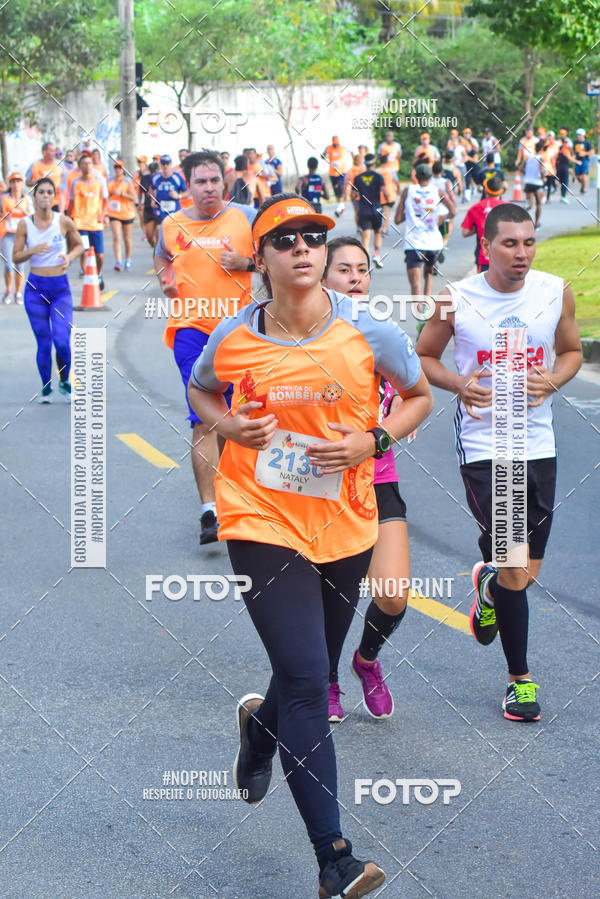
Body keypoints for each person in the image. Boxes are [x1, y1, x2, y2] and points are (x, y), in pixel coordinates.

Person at [187, 192, 432, 897]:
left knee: (307, 671)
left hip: (346, 522)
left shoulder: (367, 331)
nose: (302, 247)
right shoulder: (234, 332)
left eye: (313, 237)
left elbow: (417, 396)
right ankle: (336, 859)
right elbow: (204, 391)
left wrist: (374, 438)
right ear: (259, 257)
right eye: (285, 238)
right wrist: (228, 428)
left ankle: (260, 726)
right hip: (259, 518)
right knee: (303, 679)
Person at [417, 203, 582, 722]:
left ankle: (488, 583)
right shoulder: (457, 299)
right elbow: (424, 356)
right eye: (510, 243)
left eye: (529, 242)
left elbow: (572, 351)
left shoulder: (554, 291)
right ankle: (520, 681)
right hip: (489, 448)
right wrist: (462, 383)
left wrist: (553, 379)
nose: (522, 253)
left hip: (538, 445)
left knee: (522, 574)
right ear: (486, 245)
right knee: (515, 570)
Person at [321, 236, 416, 722]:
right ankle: (328, 678)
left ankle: (366, 660)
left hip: (376, 476)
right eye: (343, 269)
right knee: (331, 595)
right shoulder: (304, 336)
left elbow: (414, 393)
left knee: (393, 592)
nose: (356, 277)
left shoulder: (380, 333)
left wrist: (394, 415)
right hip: (318, 481)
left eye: (362, 269)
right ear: (321, 277)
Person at [154, 150, 256, 545]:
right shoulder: (172, 223)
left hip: (240, 332)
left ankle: (230, 493)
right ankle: (209, 510)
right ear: (188, 185)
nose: (209, 187)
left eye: (215, 180)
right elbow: (163, 257)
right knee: (205, 418)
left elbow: (273, 261)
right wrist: (166, 279)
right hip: (191, 330)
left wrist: (245, 263)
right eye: (201, 181)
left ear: (224, 181)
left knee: (234, 417)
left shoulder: (245, 218)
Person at [13, 178, 84, 402]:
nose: (45, 196)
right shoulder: (25, 224)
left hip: (60, 290)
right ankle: (46, 387)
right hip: (35, 290)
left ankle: (65, 381)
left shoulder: (63, 221)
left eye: (49, 192)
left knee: (62, 340)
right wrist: (32, 250)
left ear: (54, 197)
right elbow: (15, 257)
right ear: (34, 197)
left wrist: (69, 257)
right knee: (44, 342)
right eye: (41, 192)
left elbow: (80, 245)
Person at [395, 162, 456, 296]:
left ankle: (419, 314)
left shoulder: (408, 191)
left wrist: (413, 214)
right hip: (433, 242)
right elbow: (453, 211)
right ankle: (426, 309)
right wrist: (441, 218)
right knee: (428, 276)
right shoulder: (438, 192)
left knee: (416, 285)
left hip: (413, 242)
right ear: (430, 177)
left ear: (415, 176)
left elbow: (397, 219)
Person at [67, 151, 108, 289]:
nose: (87, 165)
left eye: (89, 163)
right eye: (84, 163)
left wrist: (104, 214)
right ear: (79, 166)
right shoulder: (75, 183)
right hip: (81, 224)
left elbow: (106, 200)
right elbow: (71, 203)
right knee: (84, 252)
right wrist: (71, 218)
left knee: (99, 255)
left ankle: (98, 274)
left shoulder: (100, 181)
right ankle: (87, 277)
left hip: (95, 224)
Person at [461, 173, 506, 273]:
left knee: (483, 286)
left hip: (484, 256)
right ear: (501, 191)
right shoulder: (509, 207)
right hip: (505, 255)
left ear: (485, 190)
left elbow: (465, 233)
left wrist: (478, 227)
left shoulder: (476, 208)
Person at [352, 154, 388, 267]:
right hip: (376, 209)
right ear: (374, 163)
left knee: (365, 239)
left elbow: (353, 195)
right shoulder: (378, 177)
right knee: (378, 232)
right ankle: (376, 255)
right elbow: (385, 192)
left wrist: (359, 195)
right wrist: (385, 200)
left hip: (363, 210)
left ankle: (366, 263)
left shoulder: (358, 178)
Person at [0, 173, 31, 303]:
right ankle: (8, 290)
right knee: (8, 265)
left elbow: (32, 217)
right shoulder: (3, 198)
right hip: (7, 234)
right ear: (10, 184)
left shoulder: (27, 199)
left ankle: (18, 293)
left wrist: (23, 211)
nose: (16, 184)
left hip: (21, 236)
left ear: (22, 184)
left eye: (18, 182)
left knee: (20, 267)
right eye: (13, 182)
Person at [106, 159, 136, 270]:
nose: (118, 169)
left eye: (120, 167)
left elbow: (133, 197)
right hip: (114, 213)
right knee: (116, 236)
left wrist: (122, 194)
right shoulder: (109, 181)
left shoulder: (128, 181)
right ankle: (118, 261)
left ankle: (128, 259)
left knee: (127, 238)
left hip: (127, 213)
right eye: (116, 167)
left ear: (123, 169)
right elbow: (105, 197)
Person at [151, 155, 187, 224]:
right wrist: (152, 199)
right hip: (160, 210)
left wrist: (178, 196)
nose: (165, 166)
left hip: (174, 211)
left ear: (171, 164)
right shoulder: (156, 177)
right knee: (159, 230)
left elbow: (188, 192)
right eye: (163, 164)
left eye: (167, 164)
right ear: (160, 165)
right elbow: (152, 188)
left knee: (173, 232)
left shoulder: (177, 177)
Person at [323, 135, 350, 217]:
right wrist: (323, 156)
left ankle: (339, 208)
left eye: (337, 144)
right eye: (334, 144)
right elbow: (323, 155)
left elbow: (351, 152)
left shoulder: (343, 148)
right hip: (332, 173)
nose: (336, 145)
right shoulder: (328, 148)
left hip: (342, 172)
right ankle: (341, 206)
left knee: (340, 188)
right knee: (336, 191)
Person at [522, 141, 545, 229]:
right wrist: (543, 178)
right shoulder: (541, 159)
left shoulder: (528, 158)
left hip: (528, 182)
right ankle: (536, 223)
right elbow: (542, 171)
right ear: (542, 149)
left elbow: (520, 168)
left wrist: (527, 174)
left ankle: (523, 219)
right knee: (538, 204)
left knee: (529, 204)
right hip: (538, 183)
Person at [375, 156, 398, 236]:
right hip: (389, 194)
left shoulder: (376, 171)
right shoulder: (391, 171)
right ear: (387, 162)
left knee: (379, 212)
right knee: (386, 212)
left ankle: (379, 228)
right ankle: (384, 229)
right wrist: (398, 191)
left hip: (378, 194)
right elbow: (396, 181)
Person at [138, 161, 159, 248]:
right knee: (149, 235)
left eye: (155, 171)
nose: (153, 173)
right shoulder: (145, 178)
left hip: (158, 208)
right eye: (152, 171)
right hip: (148, 207)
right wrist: (140, 203)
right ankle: (155, 246)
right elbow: (140, 191)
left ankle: (158, 251)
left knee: (159, 230)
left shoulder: (160, 178)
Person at [555, 129, 574, 204]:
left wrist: (572, 157)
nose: (562, 134)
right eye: (561, 133)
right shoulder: (557, 142)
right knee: (561, 180)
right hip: (558, 164)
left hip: (565, 163)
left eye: (563, 133)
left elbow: (572, 151)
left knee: (564, 181)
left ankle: (563, 196)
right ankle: (562, 195)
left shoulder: (568, 141)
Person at [462, 127, 480, 198]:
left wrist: (468, 157)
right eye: (465, 146)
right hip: (468, 166)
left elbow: (475, 160)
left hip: (475, 166)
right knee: (467, 179)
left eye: (467, 146)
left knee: (477, 179)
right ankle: (467, 195)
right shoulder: (463, 149)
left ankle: (478, 188)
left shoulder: (473, 150)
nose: (466, 147)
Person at [573, 128, 593, 194]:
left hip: (585, 160)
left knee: (584, 175)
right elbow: (573, 151)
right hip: (577, 160)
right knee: (578, 177)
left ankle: (584, 188)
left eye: (580, 135)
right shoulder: (575, 142)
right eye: (578, 135)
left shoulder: (587, 142)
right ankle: (583, 185)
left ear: (583, 135)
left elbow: (591, 151)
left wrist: (584, 153)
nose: (579, 136)